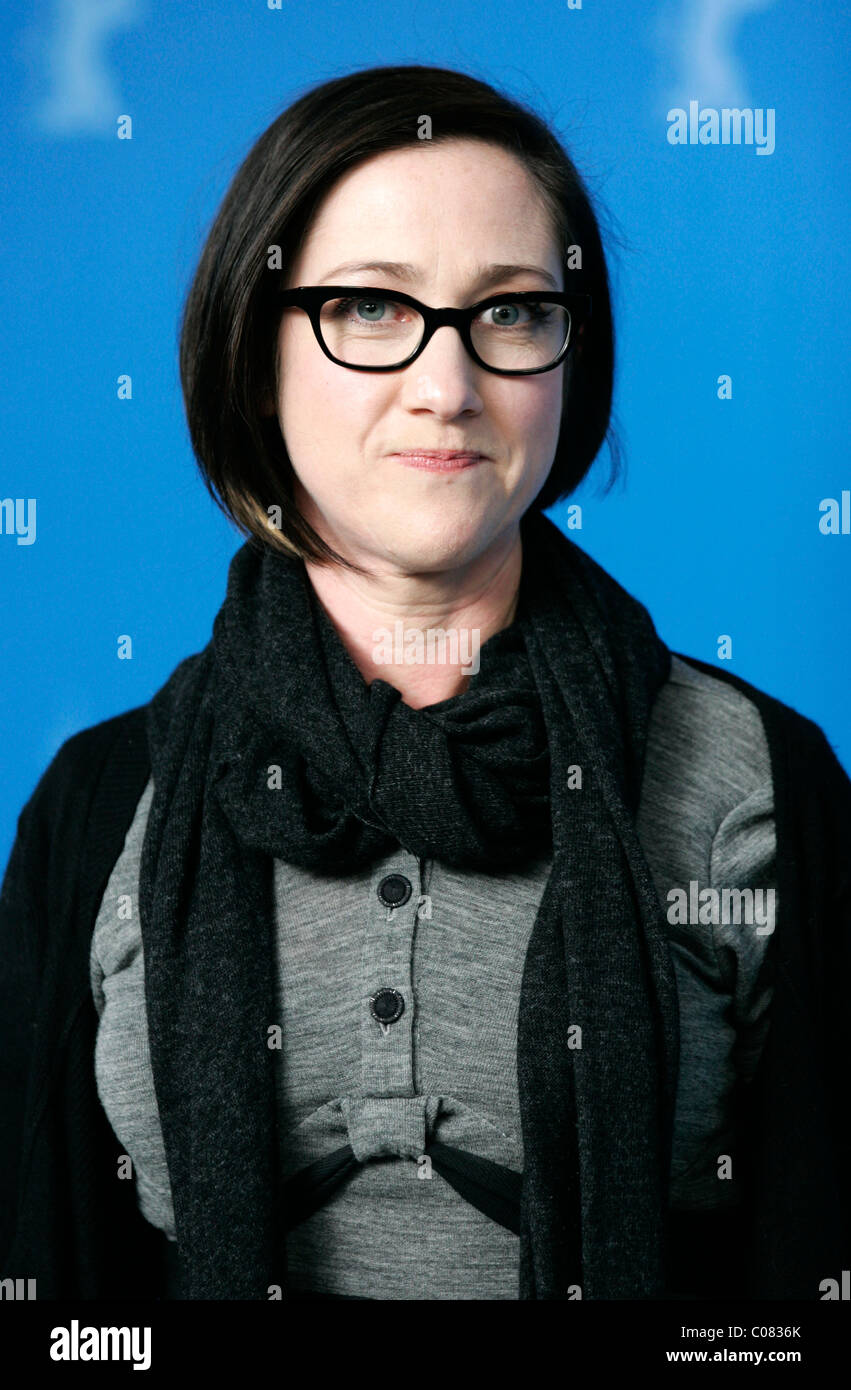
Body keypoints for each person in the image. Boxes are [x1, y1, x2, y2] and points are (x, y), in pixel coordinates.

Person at [1, 64, 849, 1303]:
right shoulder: (99, 801)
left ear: (570, 354)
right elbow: (47, 1275)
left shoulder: (760, 781)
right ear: (255, 344)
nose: (445, 387)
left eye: (508, 312)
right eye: (369, 308)